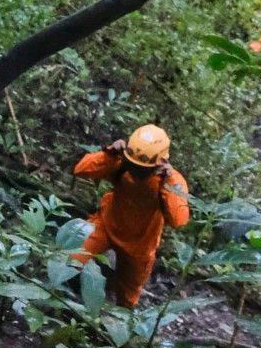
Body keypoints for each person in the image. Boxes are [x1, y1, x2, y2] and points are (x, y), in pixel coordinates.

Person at [71, 125, 191, 308]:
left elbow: (179, 220)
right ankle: (62, 302)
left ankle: (114, 331)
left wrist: (170, 182)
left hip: (140, 245)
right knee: (72, 260)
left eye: (142, 169)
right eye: (134, 165)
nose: (136, 172)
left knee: (127, 298)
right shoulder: (122, 163)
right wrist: (108, 154)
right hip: (106, 226)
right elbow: (81, 169)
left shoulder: (170, 180)